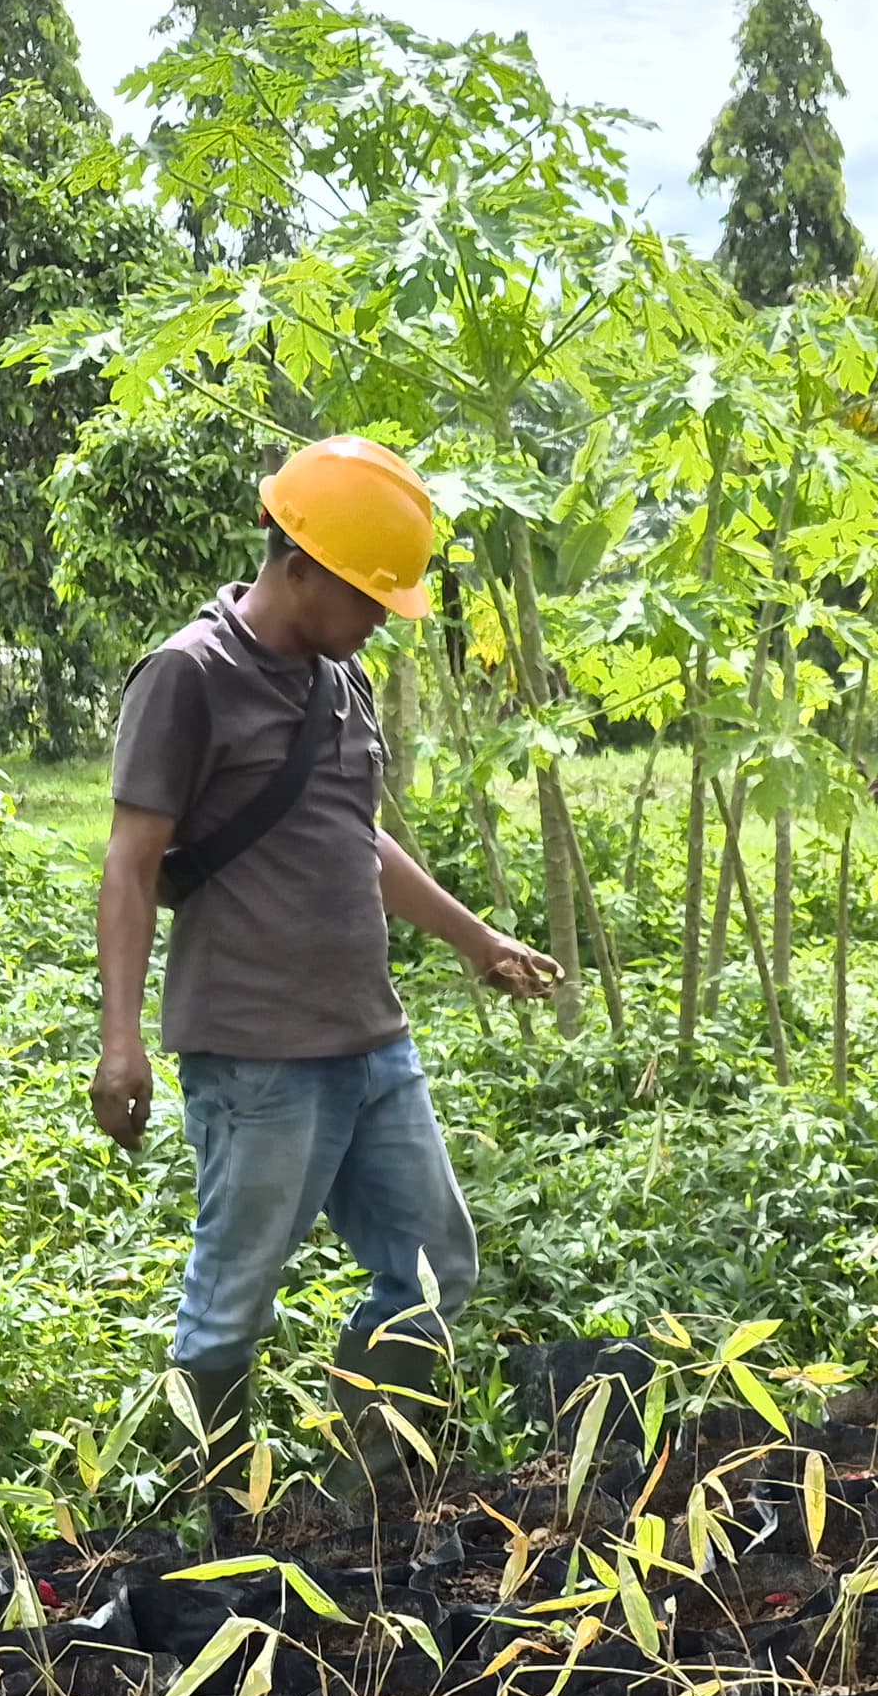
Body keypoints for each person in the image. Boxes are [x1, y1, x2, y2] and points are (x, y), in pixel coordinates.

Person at [88, 436, 562, 1512]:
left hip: (370, 1041)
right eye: (364, 596)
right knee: (232, 1306)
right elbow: (129, 861)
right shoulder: (187, 677)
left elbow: (356, 836)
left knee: (434, 1268)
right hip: (257, 1055)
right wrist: (120, 1042)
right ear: (296, 563)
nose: (375, 623)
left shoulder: (337, 681)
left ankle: (357, 1504)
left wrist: (474, 938)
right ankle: (205, 1522)